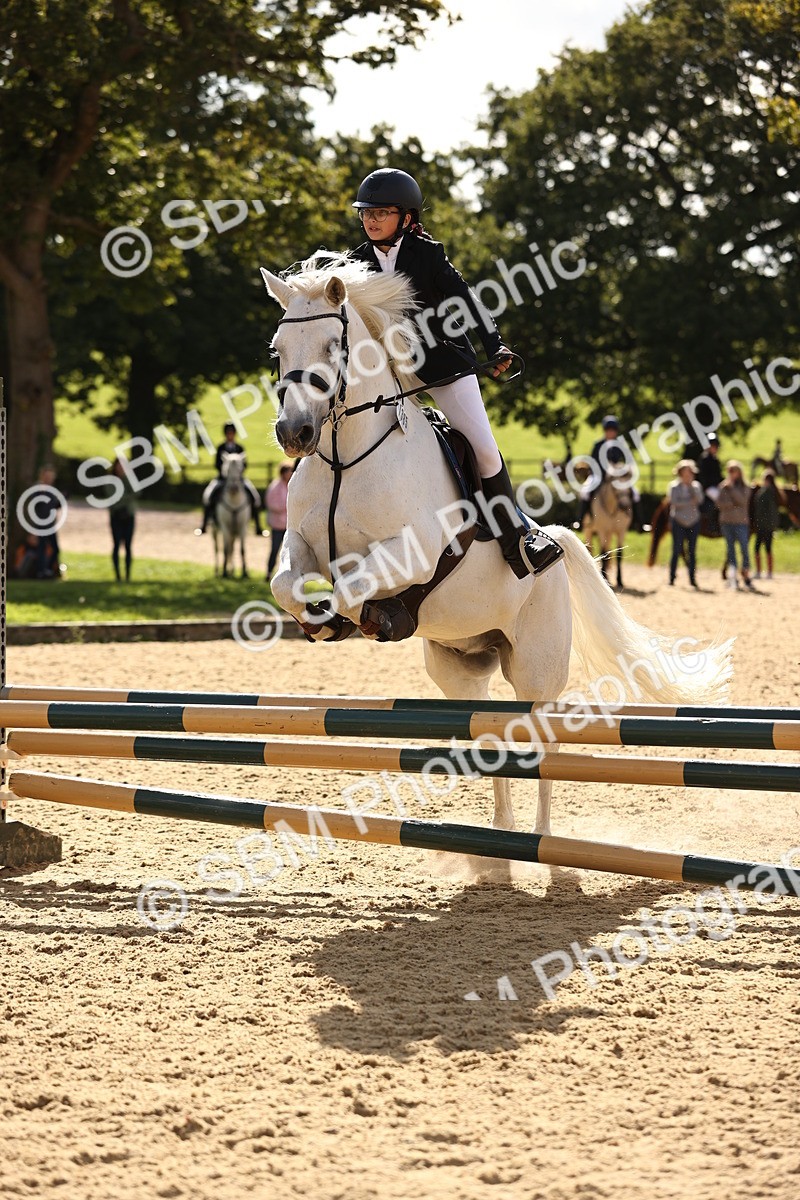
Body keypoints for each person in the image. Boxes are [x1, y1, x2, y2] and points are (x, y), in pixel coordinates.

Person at [349, 167, 563, 580]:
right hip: (392, 371)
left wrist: (494, 345)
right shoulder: (356, 261)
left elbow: (467, 300)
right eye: (366, 213)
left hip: (442, 365)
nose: (371, 220)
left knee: (482, 447)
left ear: (407, 217)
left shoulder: (428, 255)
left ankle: (516, 537)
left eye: (382, 212)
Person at [575, 416, 642, 530]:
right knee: (585, 492)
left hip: (616, 477)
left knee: (635, 493)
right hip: (599, 475)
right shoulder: (598, 444)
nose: (611, 433)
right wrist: (604, 471)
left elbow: (626, 460)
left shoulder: (620, 445)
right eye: (608, 430)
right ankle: (580, 521)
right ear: (605, 431)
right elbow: (593, 461)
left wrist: (621, 470)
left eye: (613, 430)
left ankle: (639, 523)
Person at [196, 422, 261, 535]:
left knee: (255, 497)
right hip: (222, 479)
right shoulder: (221, 447)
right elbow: (216, 464)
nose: (230, 435)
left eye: (232, 433)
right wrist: (225, 473)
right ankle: (204, 525)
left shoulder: (240, 448)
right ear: (225, 434)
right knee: (208, 495)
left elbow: (245, 465)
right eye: (228, 433)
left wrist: (237, 474)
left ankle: (258, 527)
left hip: (239, 479)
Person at [717, 460, 753, 590]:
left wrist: (732, 490)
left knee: (744, 549)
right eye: (729, 471)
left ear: (739, 472)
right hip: (726, 522)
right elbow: (720, 504)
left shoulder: (744, 487)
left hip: (741, 522)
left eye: (734, 471)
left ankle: (746, 574)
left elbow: (743, 501)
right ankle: (733, 577)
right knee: (730, 550)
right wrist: (733, 504)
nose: (731, 474)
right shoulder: (723, 487)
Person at [666, 459, 703, 588]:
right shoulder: (674, 486)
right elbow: (674, 502)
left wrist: (691, 489)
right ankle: (671, 577)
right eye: (686, 472)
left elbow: (699, 500)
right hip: (678, 521)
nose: (688, 474)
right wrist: (689, 501)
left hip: (693, 521)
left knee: (692, 551)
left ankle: (692, 579)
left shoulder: (696, 486)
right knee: (676, 550)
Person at [109, 458, 136, 581]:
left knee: (128, 546)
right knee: (116, 545)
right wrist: (127, 498)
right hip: (116, 517)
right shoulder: (110, 481)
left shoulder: (130, 480)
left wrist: (127, 478)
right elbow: (113, 498)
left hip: (129, 516)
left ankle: (128, 575)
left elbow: (137, 492)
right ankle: (118, 575)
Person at [265, 461, 292, 579]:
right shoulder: (275, 487)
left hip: (289, 525)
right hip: (277, 525)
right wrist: (287, 506)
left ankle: (287, 575)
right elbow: (271, 503)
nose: (290, 474)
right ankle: (269, 572)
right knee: (275, 549)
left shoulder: (292, 484)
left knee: (289, 553)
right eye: (288, 472)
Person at [754, 470, 781, 580]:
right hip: (765, 524)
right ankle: (763, 571)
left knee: (762, 548)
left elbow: (767, 511)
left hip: (765, 525)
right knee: (763, 548)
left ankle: (765, 572)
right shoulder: (771, 492)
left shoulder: (768, 493)